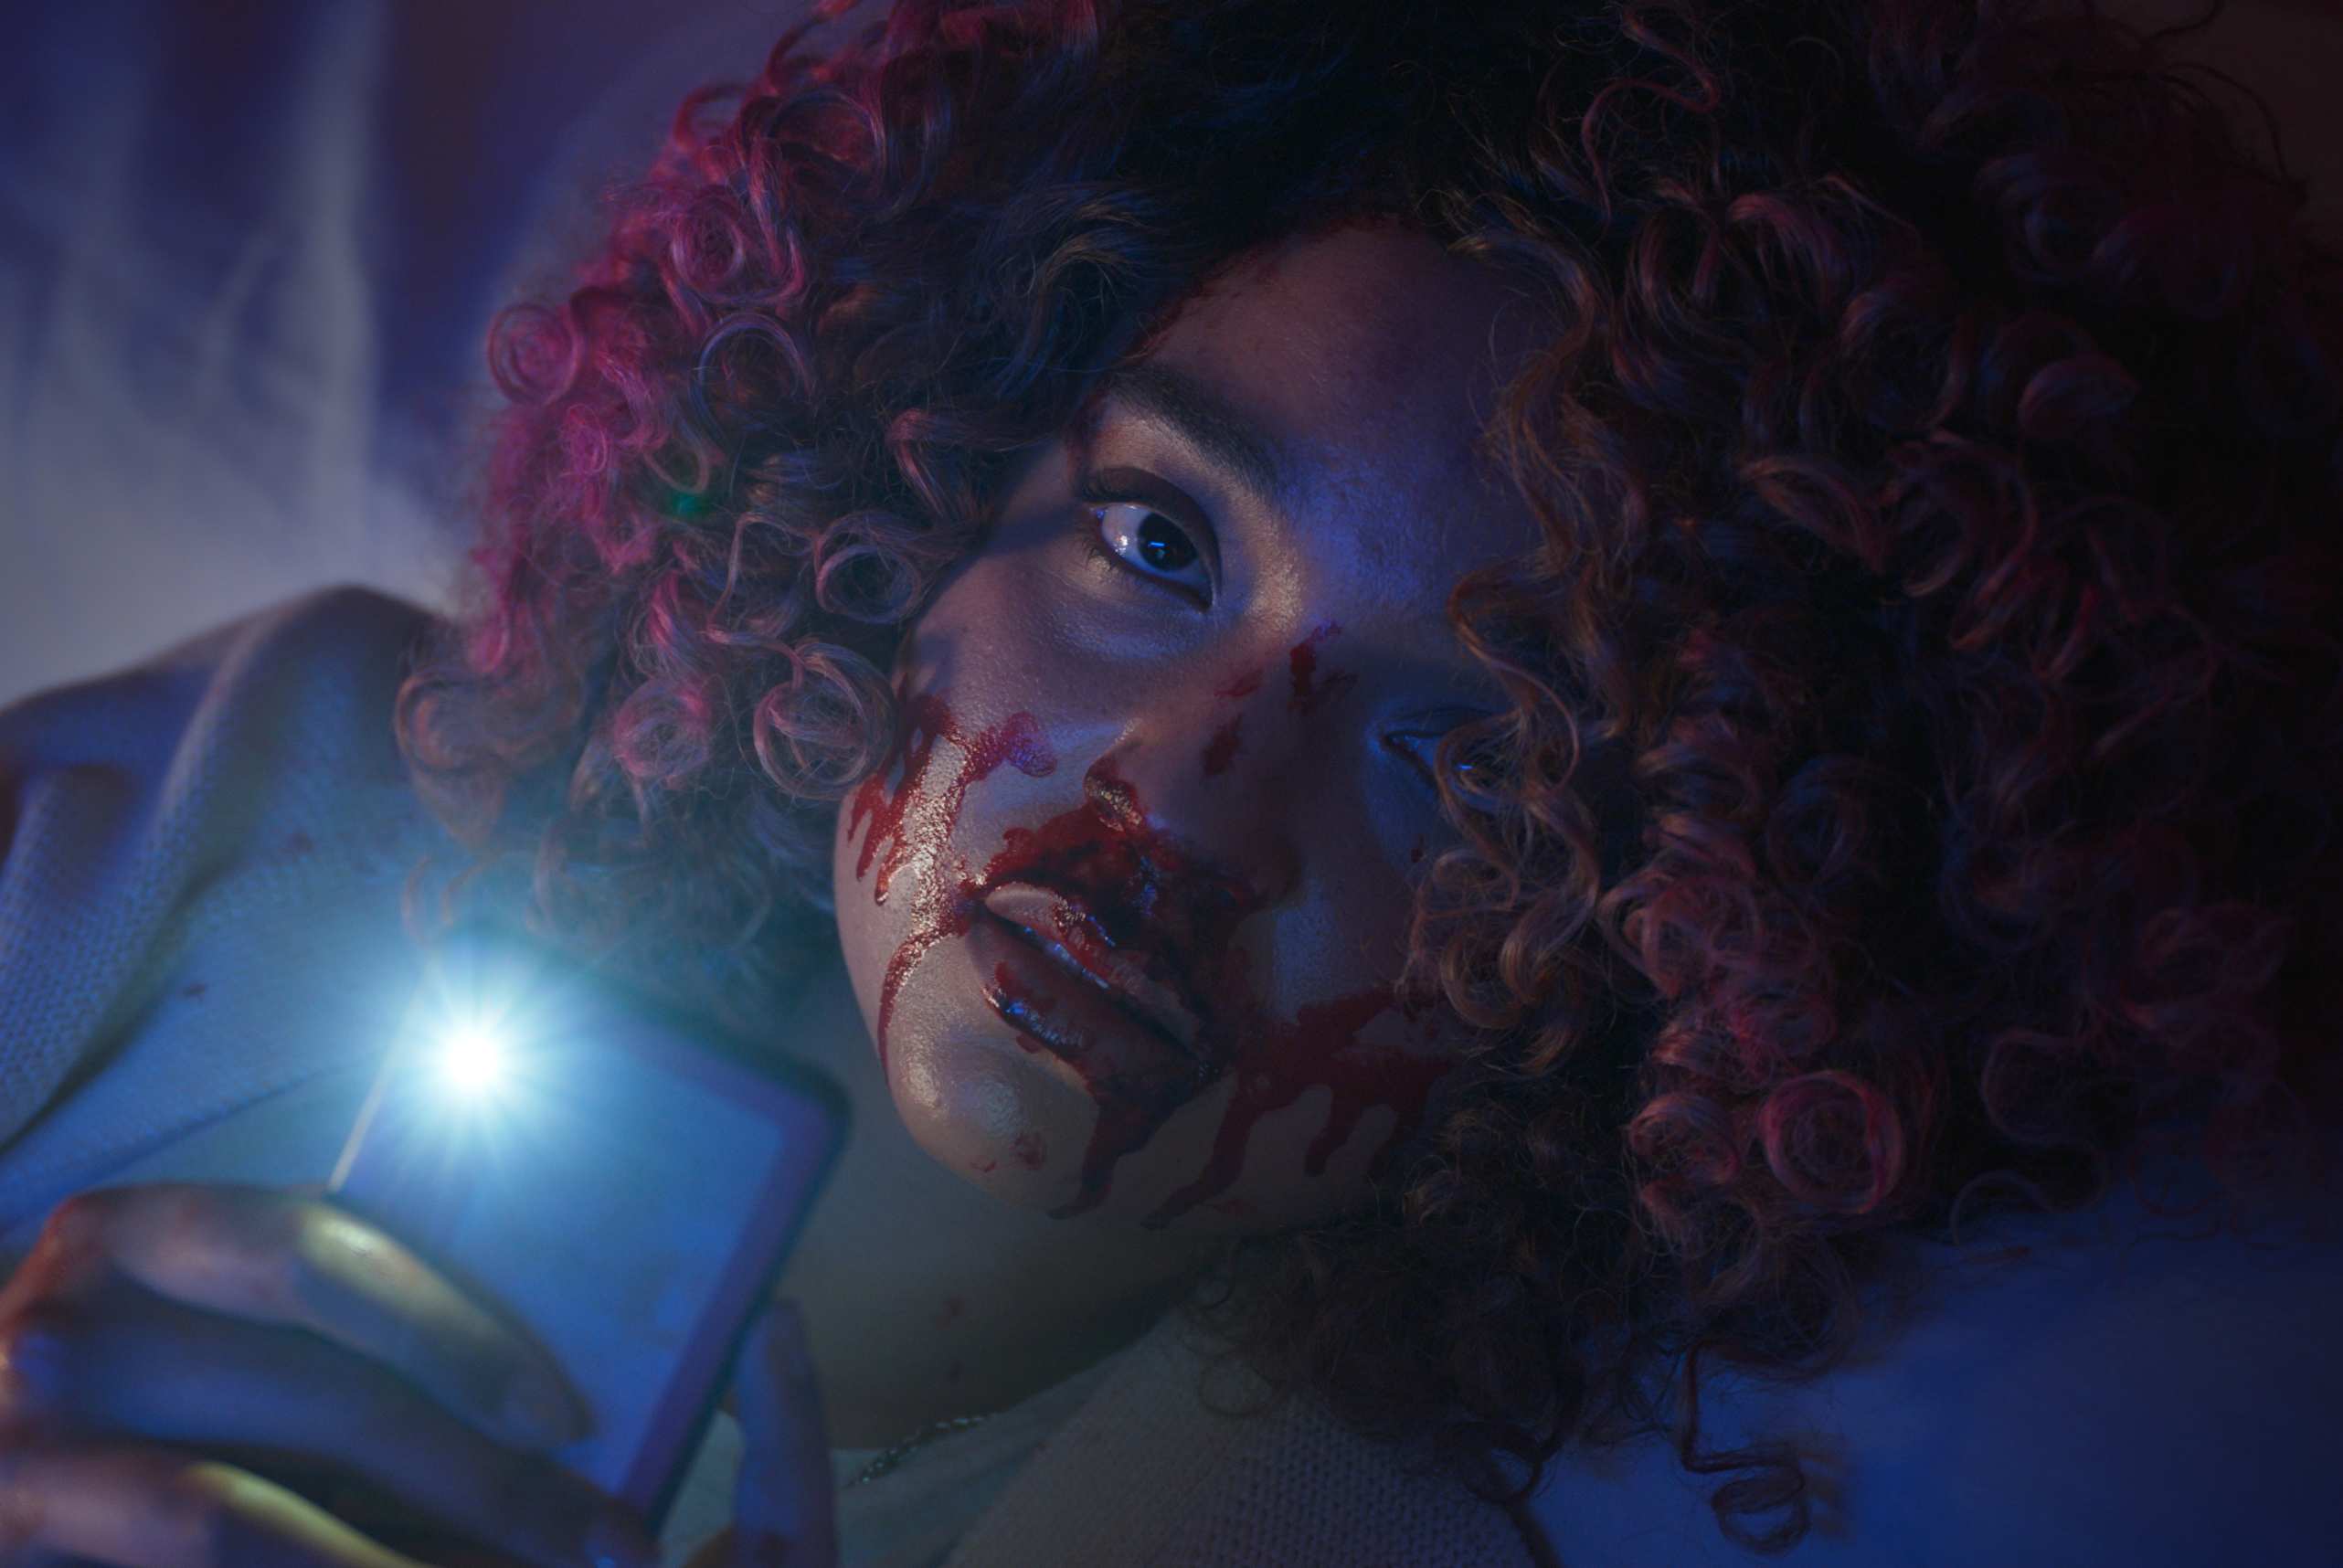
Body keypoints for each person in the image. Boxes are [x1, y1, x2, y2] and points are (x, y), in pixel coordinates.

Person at [2, 0, 2339, 1563]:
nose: (1186, 800)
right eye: (1155, 545)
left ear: (1686, 949)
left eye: (1467, 751)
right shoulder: (251, 803)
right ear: (918, 487)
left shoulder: (1339, 1531)